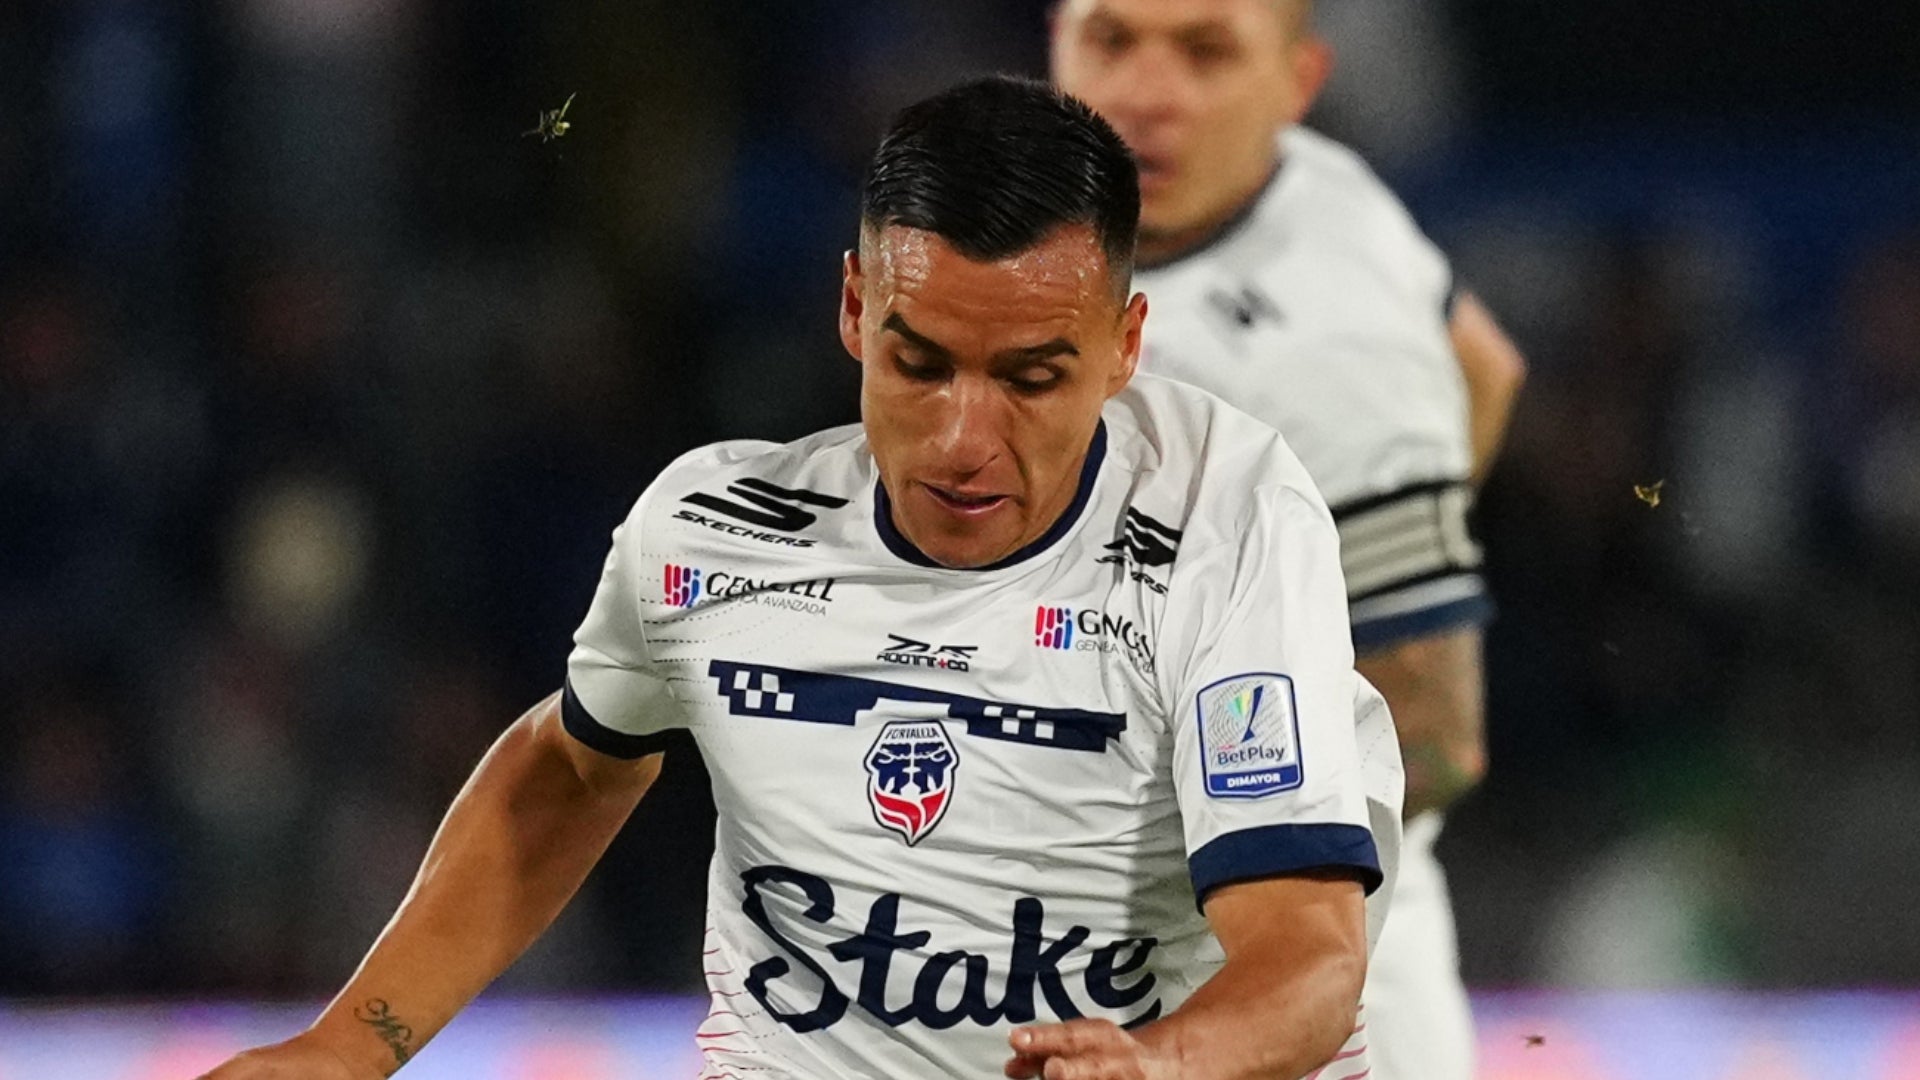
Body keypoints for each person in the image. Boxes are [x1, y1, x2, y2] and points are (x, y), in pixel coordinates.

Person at [199, 76, 1401, 1080]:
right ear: (851, 308)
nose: (961, 439)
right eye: (918, 363)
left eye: (1032, 378)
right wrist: (355, 1044)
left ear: (1126, 347)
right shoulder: (711, 532)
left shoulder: (1221, 518)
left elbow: (1307, 947)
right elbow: (569, 769)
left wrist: (1163, 1064)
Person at [1051, 4, 1528, 1080]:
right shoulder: (1310, 186)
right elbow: (1488, 363)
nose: (1146, 91)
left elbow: (1437, 733)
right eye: (1110, 40)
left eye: (1206, 52)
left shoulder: (1324, 334)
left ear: (1298, 79)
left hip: (1282, 998)